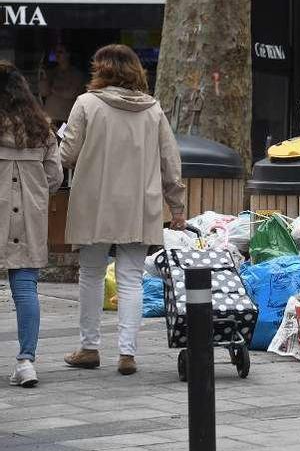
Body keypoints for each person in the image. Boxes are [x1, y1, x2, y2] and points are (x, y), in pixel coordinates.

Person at [60, 44, 186, 375]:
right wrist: (178, 207)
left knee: (91, 274)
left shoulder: (86, 104)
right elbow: (170, 162)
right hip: (139, 204)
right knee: (132, 279)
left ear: (100, 70)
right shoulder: (153, 110)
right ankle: (127, 354)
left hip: (94, 202)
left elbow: (66, 154)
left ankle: (89, 347)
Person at [0, 61, 64, 387]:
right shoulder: (42, 130)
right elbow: (55, 177)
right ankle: (26, 361)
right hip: (29, 217)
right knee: (25, 289)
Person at [38, 44, 86, 126]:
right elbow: (44, 92)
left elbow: (70, 93)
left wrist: (53, 88)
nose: (57, 55)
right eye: (55, 52)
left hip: (66, 119)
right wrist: (44, 78)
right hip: (50, 118)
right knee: (50, 138)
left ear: (68, 54)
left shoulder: (76, 74)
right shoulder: (51, 72)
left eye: (60, 52)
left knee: (62, 138)